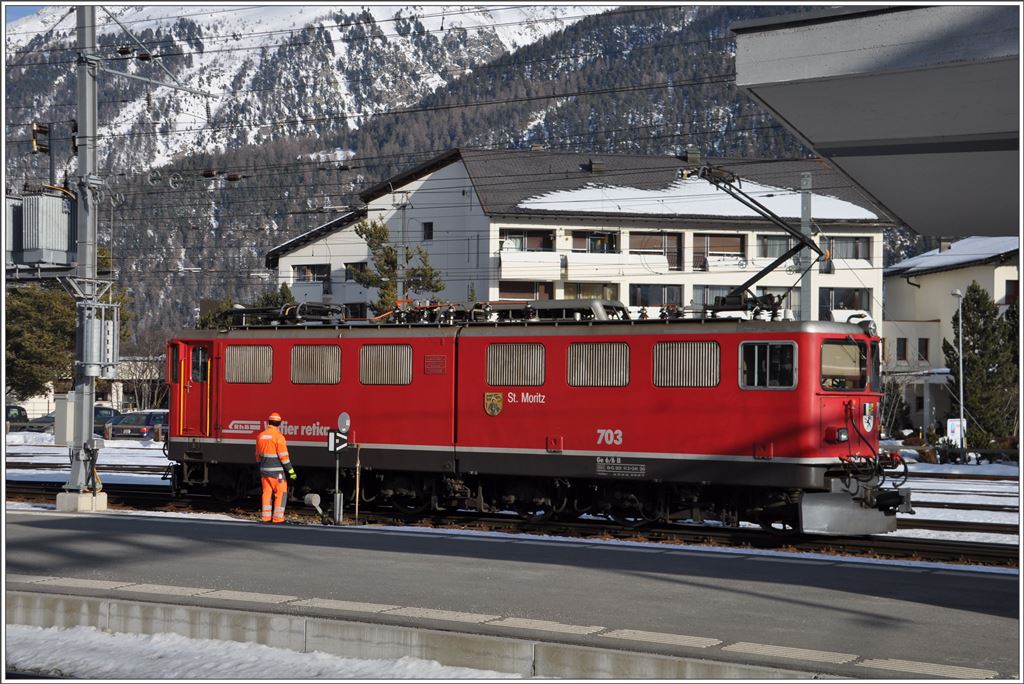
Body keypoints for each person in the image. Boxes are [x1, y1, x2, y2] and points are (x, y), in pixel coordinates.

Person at [256, 411, 296, 523]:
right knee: (281, 492)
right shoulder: (279, 437)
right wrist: (291, 472)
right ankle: (278, 518)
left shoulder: (260, 436)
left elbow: (257, 456)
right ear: (279, 424)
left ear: (268, 422)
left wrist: (262, 466)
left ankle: (266, 517)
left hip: (264, 471)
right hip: (277, 472)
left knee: (266, 493)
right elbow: (284, 457)